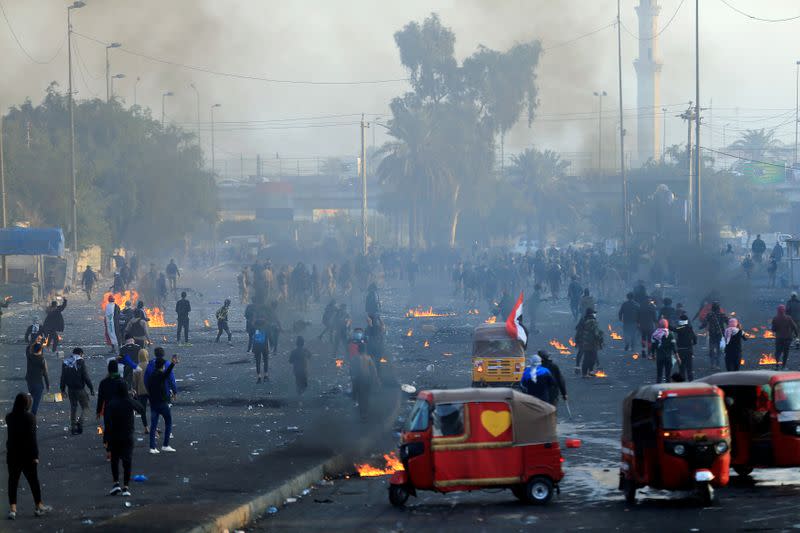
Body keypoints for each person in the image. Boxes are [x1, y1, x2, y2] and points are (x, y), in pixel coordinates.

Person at [5, 393, 52, 520]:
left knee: (13, 481)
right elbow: (32, 438)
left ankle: (13, 509)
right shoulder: (30, 417)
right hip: (26, 454)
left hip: (13, 454)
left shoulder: (9, 417)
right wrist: (35, 455)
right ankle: (39, 506)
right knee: (33, 481)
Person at [105, 379, 144, 497]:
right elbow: (141, 409)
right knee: (127, 460)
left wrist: (106, 439)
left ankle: (116, 483)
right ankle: (126, 487)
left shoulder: (111, 403)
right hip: (127, 435)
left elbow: (107, 423)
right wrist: (133, 397)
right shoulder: (129, 401)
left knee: (114, 460)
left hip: (114, 436)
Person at [146, 350, 178, 454]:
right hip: (162, 403)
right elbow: (167, 374)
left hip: (153, 403)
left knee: (153, 425)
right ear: (162, 366)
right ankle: (165, 445)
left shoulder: (151, 377)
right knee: (168, 422)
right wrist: (173, 363)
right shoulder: (160, 376)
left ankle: (152, 447)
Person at [60, 348, 94, 435]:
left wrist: (62, 389)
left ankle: (73, 427)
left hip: (70, 389)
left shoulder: (66, 362)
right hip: (80, 389)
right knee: (85, 407)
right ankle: (80, 422)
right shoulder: (81, 362)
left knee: (73, 407)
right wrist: (91, 388)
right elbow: (85, 376)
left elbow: (63, 377)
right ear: (81, 354)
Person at [351, 346, 379, 421]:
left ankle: (361, 413)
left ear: (358, 350)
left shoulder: (355, 358)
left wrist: (353, 379)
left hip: (358, 379)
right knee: (366, 397)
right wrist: (376, 381)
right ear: (365, 350)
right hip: (367, 379)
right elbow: (374, 370)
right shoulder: (368, 358)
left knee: (360, 397)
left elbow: (352, 370)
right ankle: (365, 413)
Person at [576, 309, 604, 377]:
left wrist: (578, 340)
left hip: (584, 341)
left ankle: (584, 372)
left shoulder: (583, 320)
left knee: (586, 356)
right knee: (592, 357)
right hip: (592, 342)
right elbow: (596, 333)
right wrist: (601, 338)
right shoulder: (593, 322)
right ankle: (589, 371)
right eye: (594, 313)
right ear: (591, 314)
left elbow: (578, 329)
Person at [772, 304, 798, 370]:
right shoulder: (788, 318)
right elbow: (795, 327)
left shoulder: (775, 318)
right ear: (784, 310)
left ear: (777, 311)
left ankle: (777, 365)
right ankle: (783, 366)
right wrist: (796, 335)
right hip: (787, 338)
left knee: (778, 352)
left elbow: (773, 329)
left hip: (779, 338)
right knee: (785, 352)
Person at [25, 343, 49, 416]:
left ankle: (28, 416)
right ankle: (32, 419)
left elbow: (27, 349)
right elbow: (45, 374)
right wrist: (47, 385)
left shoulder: (29, 357)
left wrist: (34, 343)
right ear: (41, 350)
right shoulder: (42, 360)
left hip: (30, 382)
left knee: (31, 400)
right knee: (36, 402)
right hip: (38, 383)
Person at [652, 319, 678, 383]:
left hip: (659, 357)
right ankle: (667, 389)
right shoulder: (670, 334)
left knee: (659, 375)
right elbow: (673, 346)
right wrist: (677, 356)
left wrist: (653, 355)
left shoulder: (655, 334)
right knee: (668, 375)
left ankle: (657, 389)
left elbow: (653, 346)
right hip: (668, 357)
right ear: (666, 325)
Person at [702, 302, 727, 369]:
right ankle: (718, 365)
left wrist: (700, 327)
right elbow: (728, 322)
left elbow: (704, 323)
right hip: (720, 334)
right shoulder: (722, 315)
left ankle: (712, 364)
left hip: (712, 334)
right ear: (718, 308)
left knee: (711, 349)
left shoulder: (709, 315)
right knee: (719, 350)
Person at [674, 313, 698, 381]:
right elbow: (695, 339)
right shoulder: (690, 328)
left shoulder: (679, 328)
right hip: (688, 351)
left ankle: (682, 384)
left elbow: (673, 329)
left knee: (681, 369)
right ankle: (691, 383)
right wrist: (692, 344)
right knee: (689, 369)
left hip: (680, 351)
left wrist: (666, 324)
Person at [131, 349, 150, 434]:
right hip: (150, 390)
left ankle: (146, 427)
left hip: (141, 391)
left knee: (143, 410)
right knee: (154, 409)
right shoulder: (150, 365)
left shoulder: (136, 367)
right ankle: (154, 426)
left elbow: (134, 382)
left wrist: (135, 390)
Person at [251, 319, 270, 383]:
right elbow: (268, 338)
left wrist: (253, 349)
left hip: (257, 348)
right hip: (264, 347)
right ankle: (266, 376)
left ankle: (259, 377)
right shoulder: (266, 329)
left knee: (258, 362)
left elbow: (252, 338)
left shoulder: (254, 329)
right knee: (265, 361)